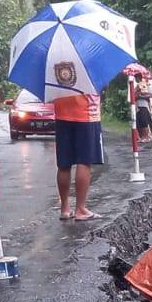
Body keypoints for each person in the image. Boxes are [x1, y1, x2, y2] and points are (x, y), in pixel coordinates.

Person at [52, 84, 104, 221]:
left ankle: (64, 208)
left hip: (62, 112)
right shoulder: (88, 62)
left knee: (64, 163)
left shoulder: (53, 63)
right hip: (86, 113)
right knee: (84, 161)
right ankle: (80, 209)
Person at [134, 76, 152, 143]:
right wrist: (137, 91)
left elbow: (150, 95)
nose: (136, 79)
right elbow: (134, 95)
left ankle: (147, 136)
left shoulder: (146, 85)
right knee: (139, 122)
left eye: (137, 77)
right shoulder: (137, 86)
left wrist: (142, 95)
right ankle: (141, 136)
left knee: (144, 121)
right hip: (137, 105)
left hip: (144, 105)